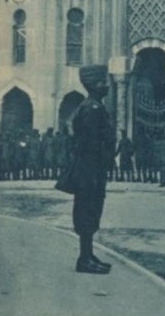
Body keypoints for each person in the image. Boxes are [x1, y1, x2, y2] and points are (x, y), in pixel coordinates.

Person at [56, 64, 114, 274]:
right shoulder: (92, 109)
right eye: (102, 82)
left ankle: (88, 255)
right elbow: (90, 143)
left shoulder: (92, 106)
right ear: (93, 85)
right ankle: (84, 260)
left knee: (91, 209)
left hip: (92, 168)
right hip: (90, 169)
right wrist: (97, 168)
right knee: (87, 210)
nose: (106, 85)